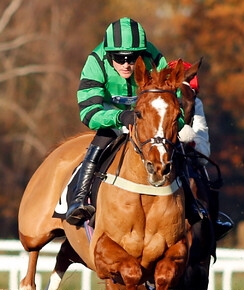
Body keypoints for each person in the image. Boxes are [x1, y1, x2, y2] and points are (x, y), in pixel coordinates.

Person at [66, 18, 206, 227]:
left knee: (173, 145)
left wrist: (177, 124)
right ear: (108, 54)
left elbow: (170, 96)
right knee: (102, 140)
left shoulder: (152, 56)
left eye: (132, 58)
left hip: (147, 113)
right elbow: (88, 112)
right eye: (119, 58)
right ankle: (79, 198)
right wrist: (119, 117)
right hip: (109, 111)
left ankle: (190, 202)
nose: (126, 64)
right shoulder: (95, 62)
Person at [167, 60, 234, 240]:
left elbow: (202, 143)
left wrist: (192, 143)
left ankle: (212, 222)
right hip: (158, 152)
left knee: (202, 177)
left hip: (185, 157)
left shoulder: (196, 103)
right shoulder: (154, 98)